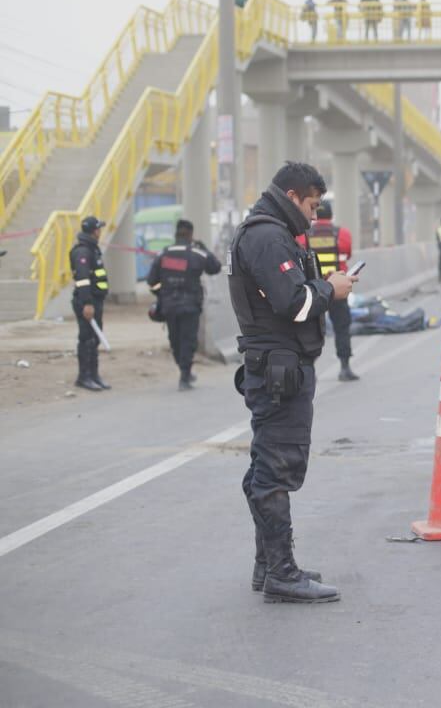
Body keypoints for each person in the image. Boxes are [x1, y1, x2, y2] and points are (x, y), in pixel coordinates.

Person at [230, 162, 356, 604]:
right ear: (292, 194)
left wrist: (324, 286)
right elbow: (292, 302)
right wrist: (330, 290)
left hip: (279, 364)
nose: (314, 215)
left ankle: (268, 566)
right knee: (275, 470)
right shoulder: (267, 236)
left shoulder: (273, 232)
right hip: (279, 368)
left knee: (268, 466)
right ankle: (282, 573)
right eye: (312, 205)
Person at [146, 219, 221, 390]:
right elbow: (215, 267)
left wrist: (161, 294)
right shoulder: (197, 253)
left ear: (176, 234)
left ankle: (184, 370)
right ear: (190, 235)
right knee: (188, 340)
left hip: (169, 306)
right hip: (190, 306)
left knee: (175, 340)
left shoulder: (163, 254)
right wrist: (204, 249)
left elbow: (151, 281)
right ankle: (185, 375)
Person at [297, 200, 359, 382]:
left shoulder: (304, 235)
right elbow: (347, 254)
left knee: (312, 329)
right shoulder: (343, 234)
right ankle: (345, 368)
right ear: (331, 215)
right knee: (342, 327)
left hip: (315, 289)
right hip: (337, 288)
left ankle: (310, 370)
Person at [69, 215, 111, 392]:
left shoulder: (92, 249)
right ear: (95, 231)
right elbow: (83, 279)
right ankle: (84, 377)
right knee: (86, 339)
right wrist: (87, 303)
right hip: (87, 301)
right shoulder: (83, 252)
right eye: (99, 228)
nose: (100, 231)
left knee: (94, 339)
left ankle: (94, 375)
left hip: (95, 300)